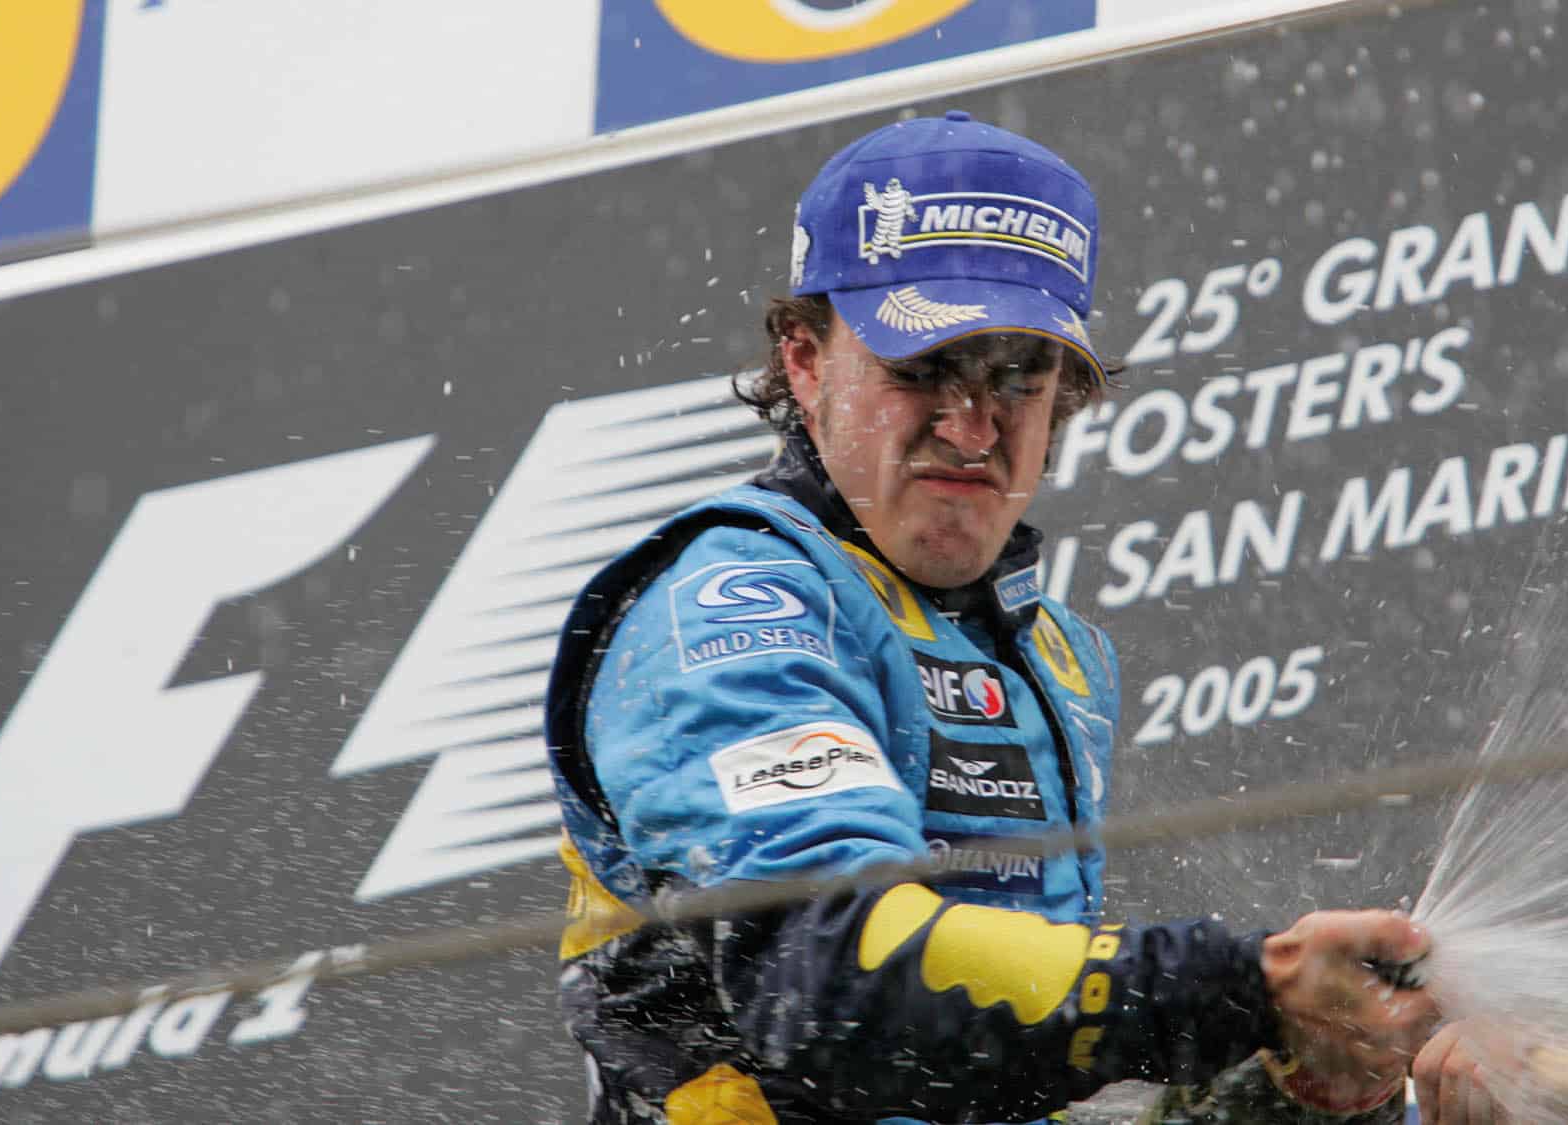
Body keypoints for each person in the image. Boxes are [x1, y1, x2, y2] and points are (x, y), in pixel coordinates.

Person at [544, 110, 1438, 1124]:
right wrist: (1240, 989)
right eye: (920, 368)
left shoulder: (1054, 654)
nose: (971, 428)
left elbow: (995, 1076)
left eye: (1016, 374)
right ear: (802, 358)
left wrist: (1315, 1081)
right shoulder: (732, 602)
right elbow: (836, 990)